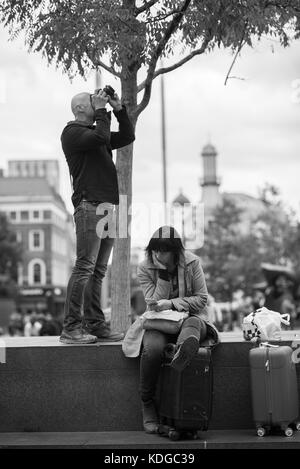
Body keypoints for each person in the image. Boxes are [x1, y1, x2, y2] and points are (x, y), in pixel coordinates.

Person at [59, 88, 135, 344]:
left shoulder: (96, 133)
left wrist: (117, 108)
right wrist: (102, 110)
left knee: (99, 270)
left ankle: (95, 324)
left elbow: (127, 135)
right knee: (84, 267)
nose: (97, 102)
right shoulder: (72, 133)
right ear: (80, 108)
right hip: (89, 205)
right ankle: (70, 328)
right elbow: (101, 134)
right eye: (92, 101)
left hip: (107, 207)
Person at [137, 226, 219, 433]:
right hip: (160, 323)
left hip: (190, 320)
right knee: (153, 350)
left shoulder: (192, 262)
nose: (157, 254)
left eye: (163, 250)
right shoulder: (145, 268)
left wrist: (172, 304)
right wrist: (163, 276)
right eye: (154, 250)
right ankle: (147, 404)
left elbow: (202, 299)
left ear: (175, 251)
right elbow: (152, 302)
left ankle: (181, 352)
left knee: (193, 325)